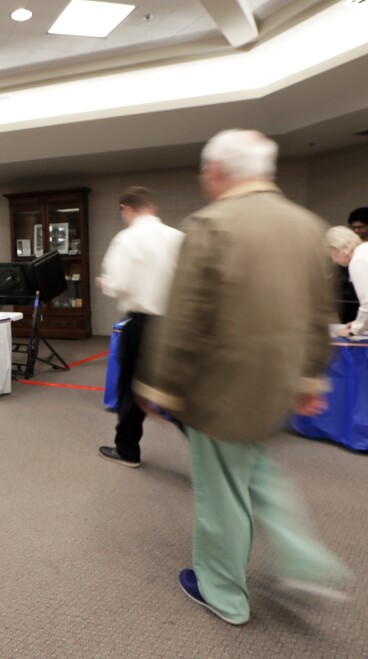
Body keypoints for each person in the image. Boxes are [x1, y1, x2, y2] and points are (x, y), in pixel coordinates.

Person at [133, 130, 350, 625]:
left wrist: (158, 385)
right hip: (276, 383)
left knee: (221, 494)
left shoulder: (211, 224)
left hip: (221, 388)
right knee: (257, 473)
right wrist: (312, 379)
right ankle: (306, 559)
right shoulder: (306, 225)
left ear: (217, 172)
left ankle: (223, 593)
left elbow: (185, 319)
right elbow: (322, 312)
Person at [96, 186, 183, 467]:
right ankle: (215, 455)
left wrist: (103, 283)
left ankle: (127, 450)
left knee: (131, 388)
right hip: (175, 324)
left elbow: (118, 283)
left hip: (142, 324)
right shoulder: (177, 237)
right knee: (176, 389)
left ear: (126, 208)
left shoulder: (127, 239)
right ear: (152, 208)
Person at [326, 225, 368, 337]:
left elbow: (367, 302)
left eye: (331, 255)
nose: (334, 261)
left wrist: (354, 330)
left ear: (338, 248)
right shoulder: (364, 251)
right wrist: (361, 324)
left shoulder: (358, 259)